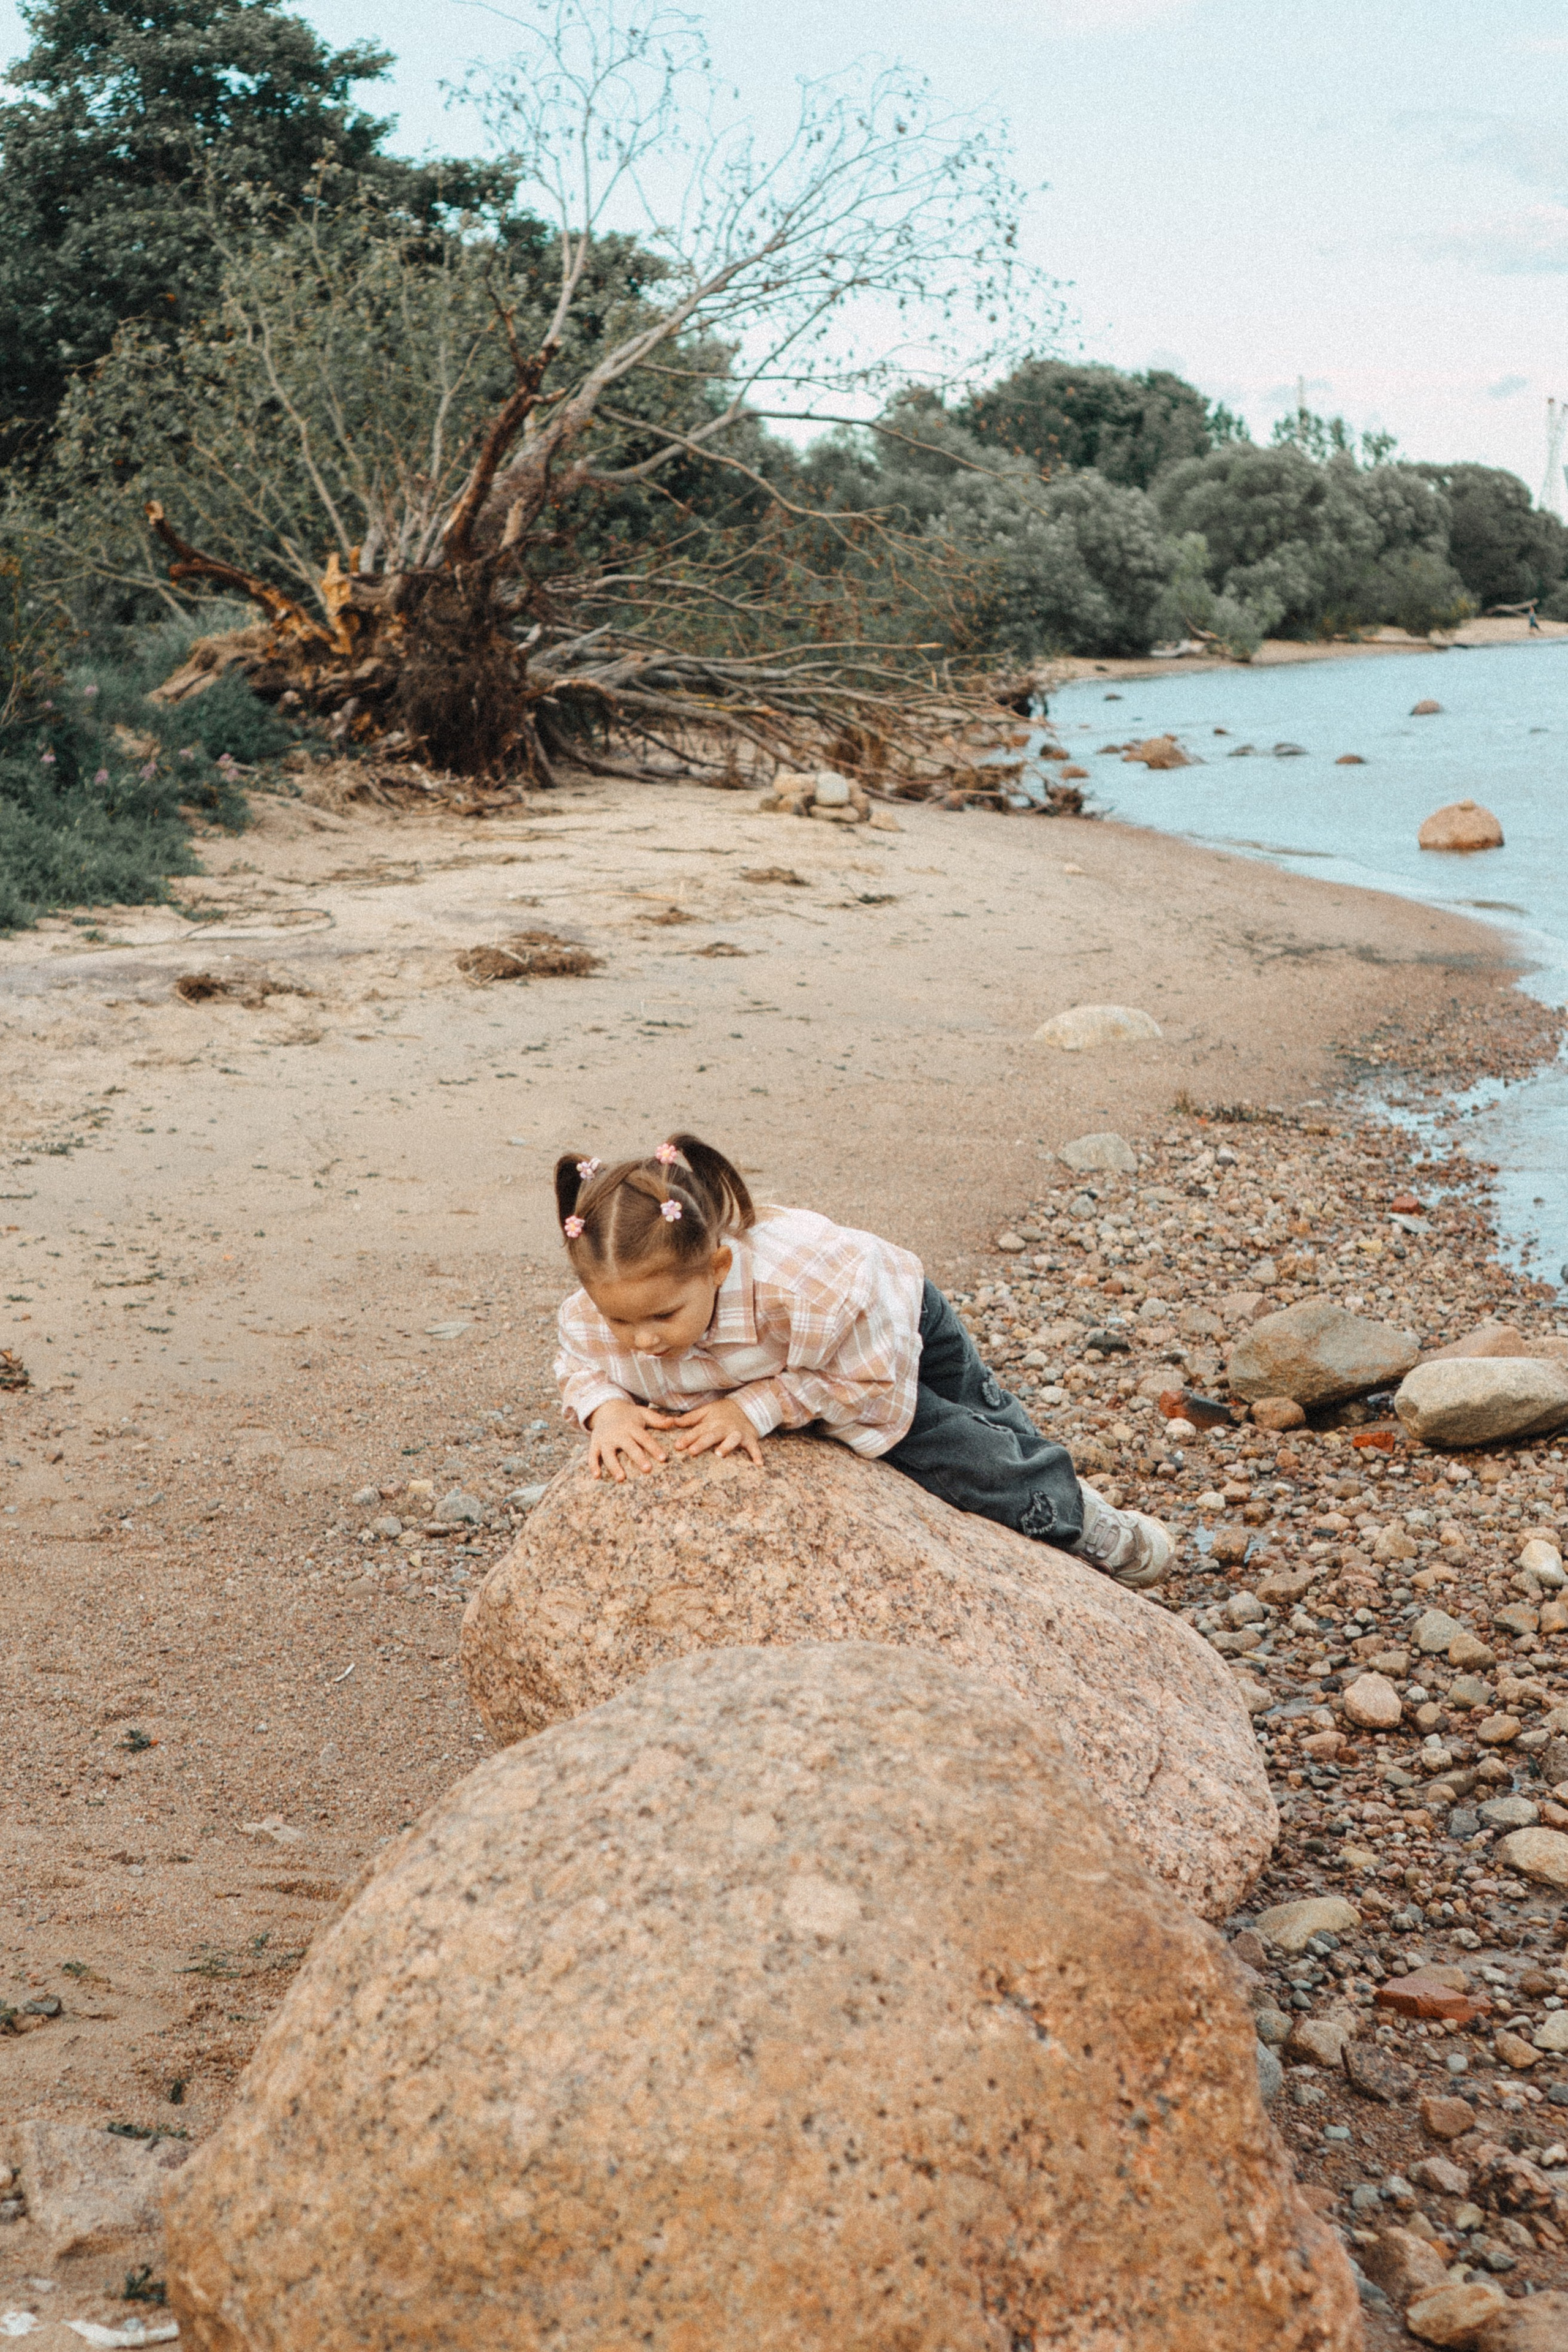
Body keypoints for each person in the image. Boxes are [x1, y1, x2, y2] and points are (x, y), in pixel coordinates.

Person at [551, 1133, 1172, 1590]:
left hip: (885, 1326)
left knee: (960, 1439)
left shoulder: (802, 1287)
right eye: (620, 1320)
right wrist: (607, 1412)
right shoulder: (606, 1309)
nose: (642, 1343)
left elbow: (865, 1381)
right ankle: (1035, 1487)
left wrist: (755, 1405)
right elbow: (580, 1362)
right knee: (968, 1451)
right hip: (808, 1357)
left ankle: (1079, 1516)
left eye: (662, 1317)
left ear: (718, 1268)